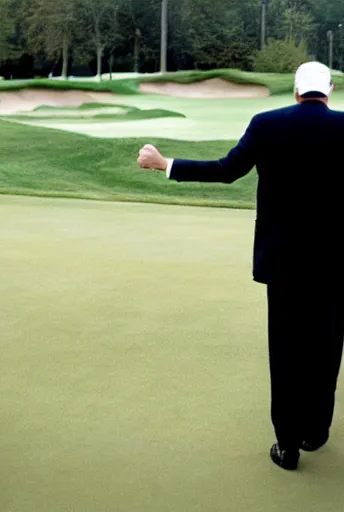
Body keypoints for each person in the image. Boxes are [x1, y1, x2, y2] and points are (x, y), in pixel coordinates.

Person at [137, 61, 344, 471]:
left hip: (282, 262)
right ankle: (315, 431)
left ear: (295, 91)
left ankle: (287, 446)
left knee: (285, 351)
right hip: (335, 264)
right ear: (330, 89)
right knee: (325, 348)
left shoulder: (266, 125)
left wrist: (166, 164)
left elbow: (226, 170)